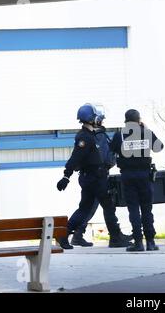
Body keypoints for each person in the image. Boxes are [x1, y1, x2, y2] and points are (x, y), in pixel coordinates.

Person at [56, 103, 131, 250]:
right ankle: (115, 237)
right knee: (108, 207)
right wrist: (66, 176)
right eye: (98, 118)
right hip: (95, 178)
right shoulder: (85, 137)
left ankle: (63, 235)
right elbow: (75, 158)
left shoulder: (91, 135)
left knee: (84, 208)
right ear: (92, 119)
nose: (101, 121)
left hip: (93, 177)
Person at [70, 125, 133, 248]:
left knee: (89, 207)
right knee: (103, 207)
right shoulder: (100, 136)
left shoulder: (83, 136)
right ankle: (115, 236)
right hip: (98, 177)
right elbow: (107, 158)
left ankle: (77, 234)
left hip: (87, 176)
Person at [110, 109, 164, 252]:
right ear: (139, 120)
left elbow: (112, 150)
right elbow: (159, 148)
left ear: (126, 121)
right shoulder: (146, 133)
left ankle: (138, 242)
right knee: (147, 209)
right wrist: (146, 131)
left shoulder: (119, 134)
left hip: (128, 176)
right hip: (145, 176)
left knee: (133, 208)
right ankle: (151, 242)